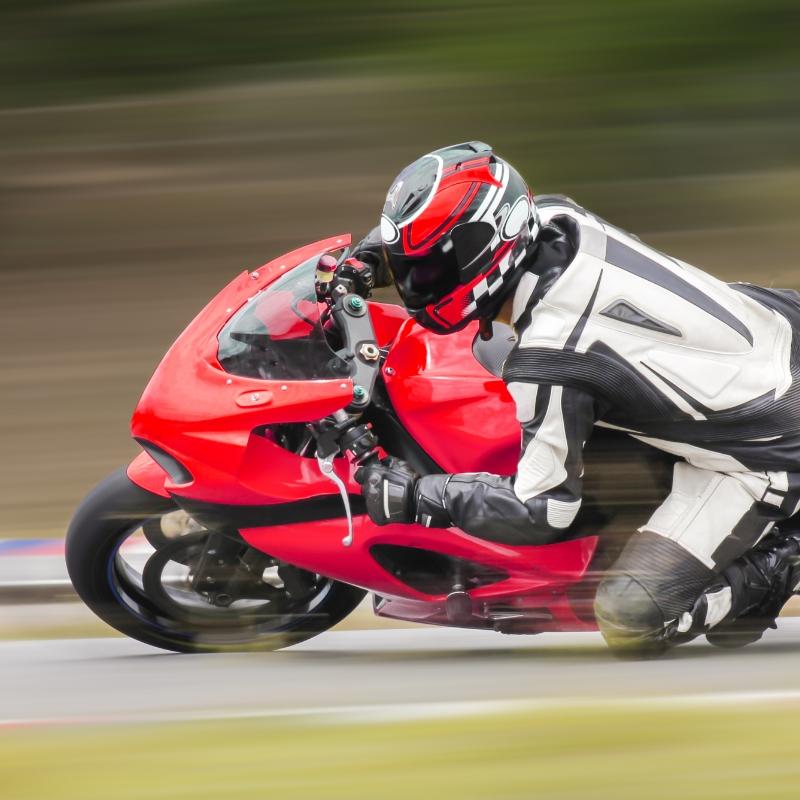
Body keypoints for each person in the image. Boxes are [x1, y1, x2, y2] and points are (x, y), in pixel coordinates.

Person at [352, 141, 800, 655]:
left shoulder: (550, 354)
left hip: (766, 452)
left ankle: (784, 557)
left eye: (426, 271)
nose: (414, 285)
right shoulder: (556, 216)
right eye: (409, 268)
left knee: (632, 618)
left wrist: (421, 497)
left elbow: (542, 510)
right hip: (780, 330)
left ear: (482, 254)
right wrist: (370, 258)